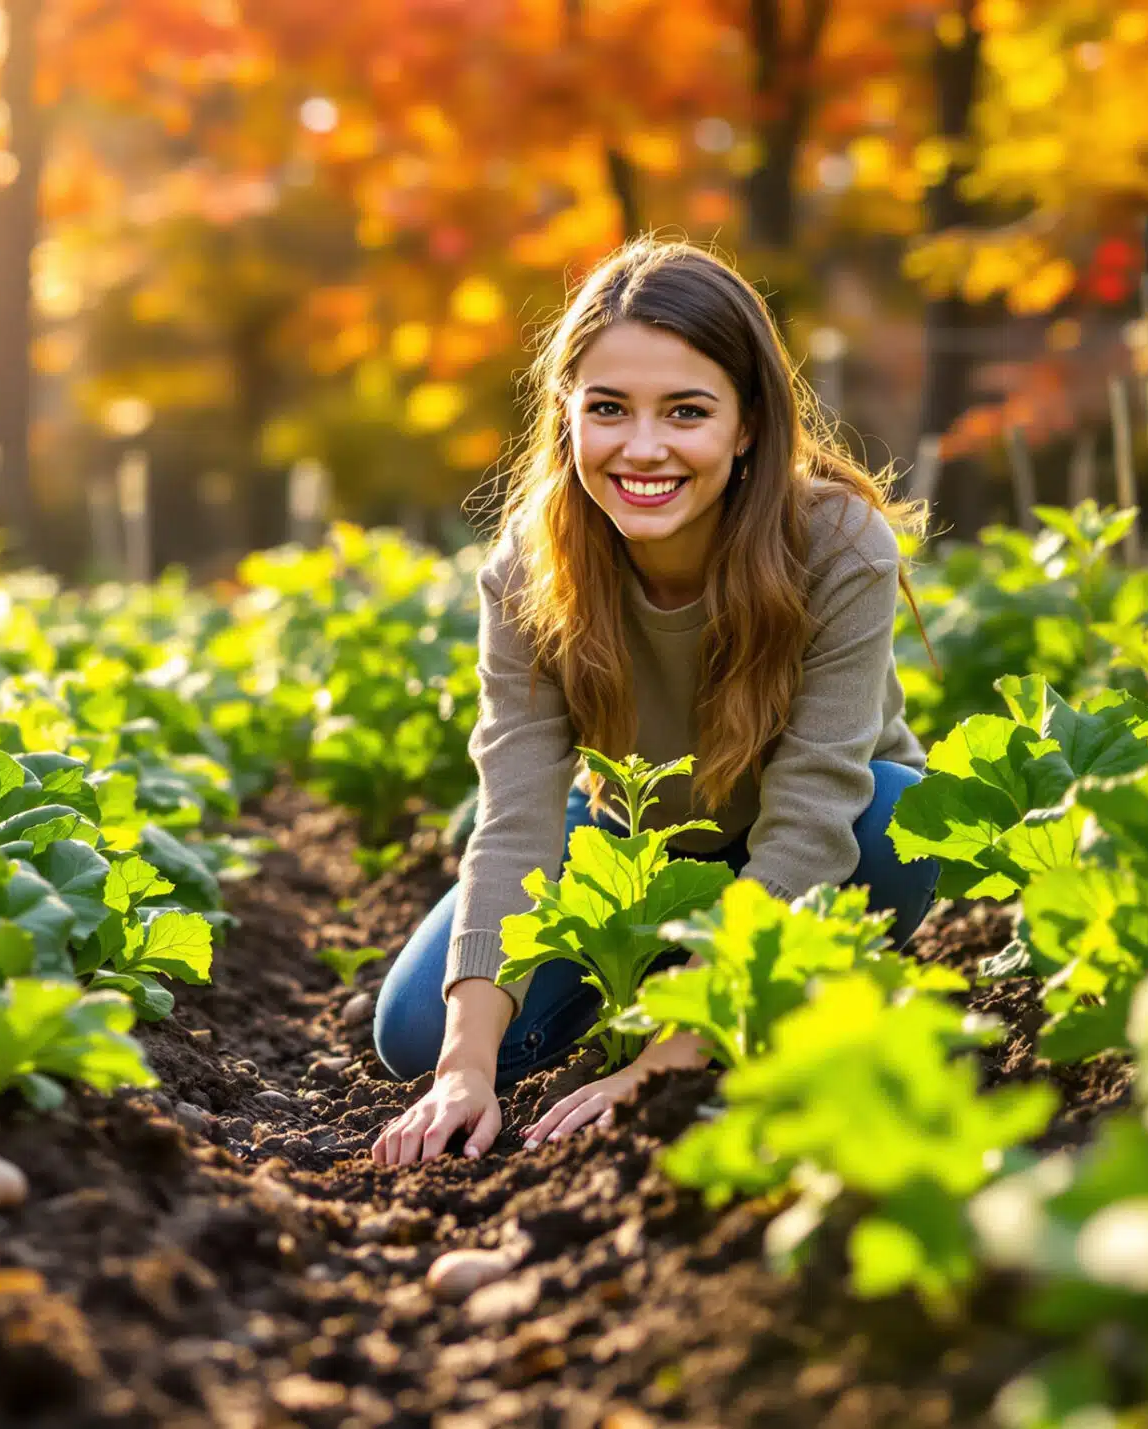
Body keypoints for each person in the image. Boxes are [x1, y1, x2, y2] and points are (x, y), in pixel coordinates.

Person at [368, 239, 939, 1167]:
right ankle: (677, 973)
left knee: (895, 816)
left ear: (748, 424)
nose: (643, 447)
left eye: (686, 411)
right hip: (637, 851)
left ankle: (733, 1004)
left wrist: (661, 1069)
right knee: (414, 1036)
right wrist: (463, 1070)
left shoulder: (839, 544)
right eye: (607, 409)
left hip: (829, 846)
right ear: (566, 415)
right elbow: (514, 817)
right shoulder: (530, 567)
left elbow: (811, 822)